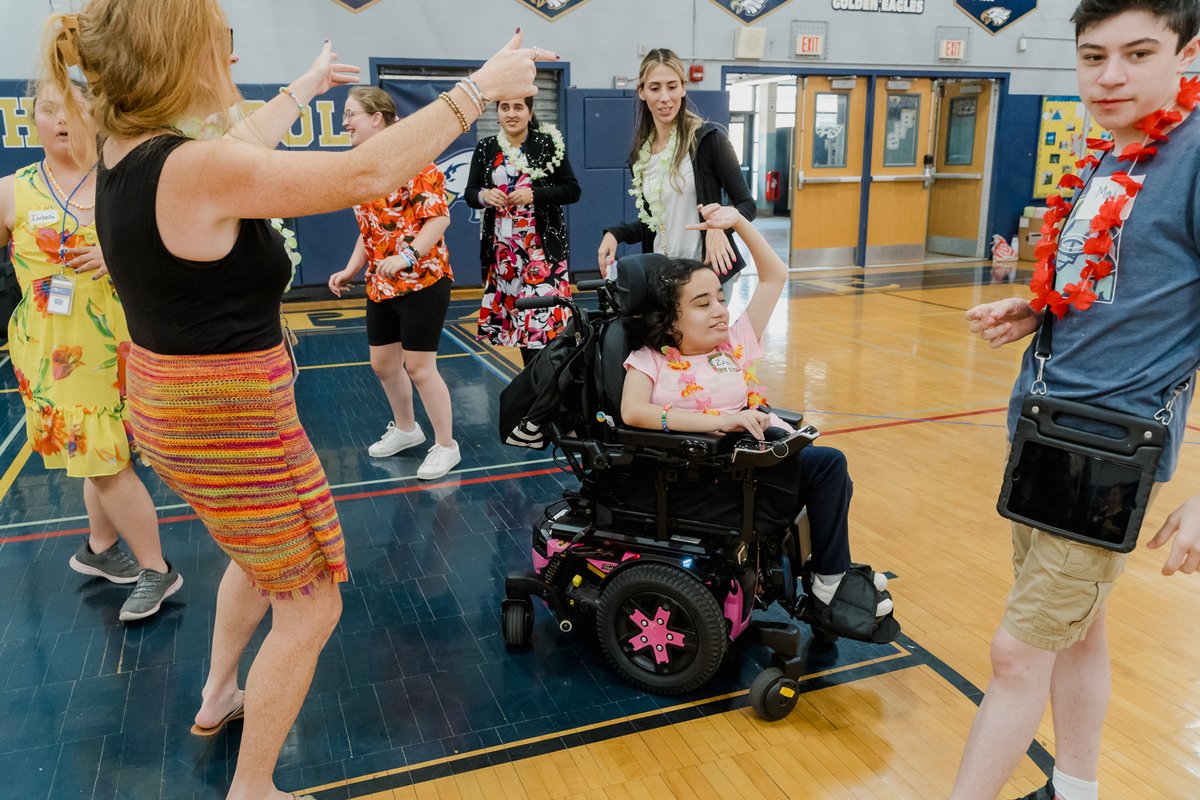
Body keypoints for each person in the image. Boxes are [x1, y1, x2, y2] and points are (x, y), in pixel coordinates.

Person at [45, 4, 549, 798]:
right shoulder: (192, 168)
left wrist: (304, 87)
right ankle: (253, 789)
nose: (230, 54)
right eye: (221, 43)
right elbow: (361, 174)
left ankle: (218, 696)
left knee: (260, 556)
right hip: (228, 417)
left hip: (177, 405)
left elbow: (237, 149)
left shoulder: (130, 148)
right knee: (310, 605)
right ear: (179, 58)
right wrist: (477, 89)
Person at [956, 3, 1200, 799]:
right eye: (1093, 56)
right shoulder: (1107, 151)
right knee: (1075, 628)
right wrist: (1039, 307)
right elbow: (1124, 282)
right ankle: (1077, 790)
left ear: (1187, 53)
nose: (1111, 76)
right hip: (1044, 425)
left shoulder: (1194, 155)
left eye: (1137, 53)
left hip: (1113, 449)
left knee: (1017, 653)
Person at [620, 203, 891, 620]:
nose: (719, 310)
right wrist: (722, 421)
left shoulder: (733, 344)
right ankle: (830, 580)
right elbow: (634, 413)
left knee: (833, 474)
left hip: (757, 457)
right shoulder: (649, 360)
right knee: (829, 466)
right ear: (670, 320)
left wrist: (739, 223)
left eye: (721, 298)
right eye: (702, 303)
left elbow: (774, 276)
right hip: (709, 477)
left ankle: (829, 573)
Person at [0, 77, 176, 623]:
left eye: (72, 110)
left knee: (101, 450)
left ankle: (99, 550)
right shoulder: (11, 190)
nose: (59, 121)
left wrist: (119, 255)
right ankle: (156, 568)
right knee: (99, 454)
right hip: (52, 347)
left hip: (124, 338)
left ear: (98, 117)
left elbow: (174, 251)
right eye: (47, 110)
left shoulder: (124, 184)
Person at [327, 86, 459, 479]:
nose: (345, 121)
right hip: (382, 285)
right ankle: (406, 429)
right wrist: (352, 268)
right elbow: (371, 228)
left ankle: (446, 446)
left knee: (419, 367)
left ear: (376, 118)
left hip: (423, 280)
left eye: (351, 114)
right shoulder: (366, 165)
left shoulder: (413, 162)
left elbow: (438, 219)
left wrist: (408, 256)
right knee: (383, 364)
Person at [597, 48, 755, 283]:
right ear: (641, 92)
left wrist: (718, 226)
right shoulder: (640, 156)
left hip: (708, 269)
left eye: (672, 86)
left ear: (683, 87)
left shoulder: (709, 140)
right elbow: (656, 223)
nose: (664, 97)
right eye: (654, 88)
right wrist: (615, 233)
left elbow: (747, 205)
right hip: (664, 275)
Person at [465, 95, 580, 365]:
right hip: (505, 253)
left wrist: (534, 195)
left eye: (518, 107)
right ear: (497, 114)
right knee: (518, 326)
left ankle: (548, 387)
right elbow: (471, 192)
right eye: (505, 108)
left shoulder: (546, 144)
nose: (511, 114)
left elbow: (572, 190)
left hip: (541, 249)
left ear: (530, 112)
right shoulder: (486, 147)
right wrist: (484, 196)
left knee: (542, 325)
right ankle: (532, 387)